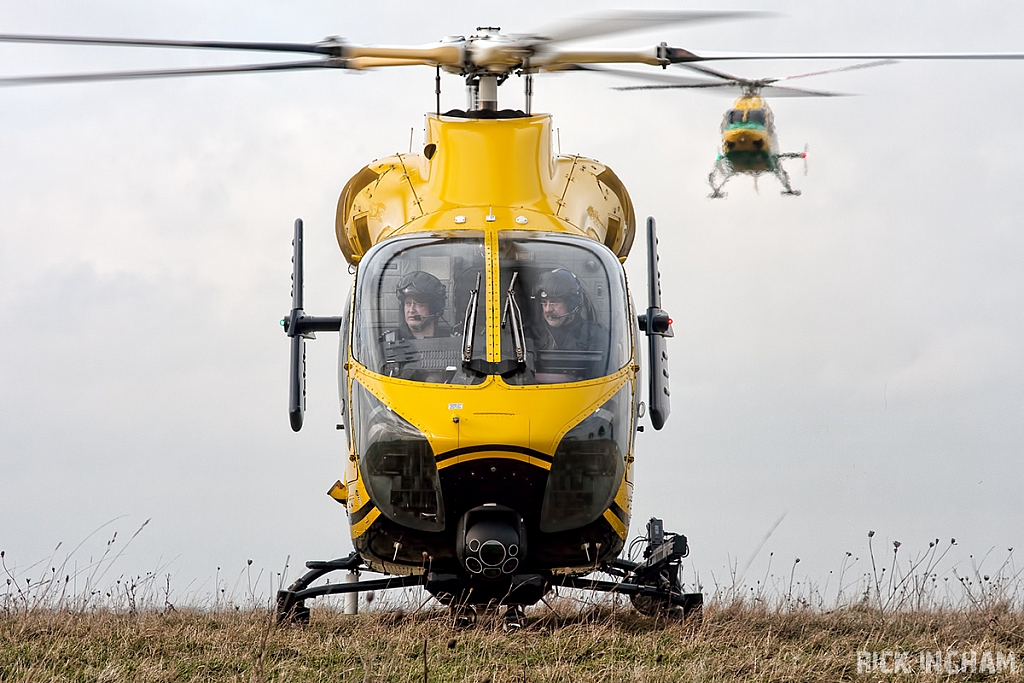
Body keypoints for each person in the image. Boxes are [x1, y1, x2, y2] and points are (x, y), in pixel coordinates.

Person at [531, 268, 608, 382]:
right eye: (544, 302)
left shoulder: (594, 335)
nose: (547, 310)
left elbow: (601, 378)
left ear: (571, 304)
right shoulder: (531, 334)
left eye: (554, 302)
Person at [393, 270, 451, 340]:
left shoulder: (453, 341)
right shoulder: (387, 341)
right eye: (408, 303)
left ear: (434, 309)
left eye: (419, 304)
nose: (411, 310)